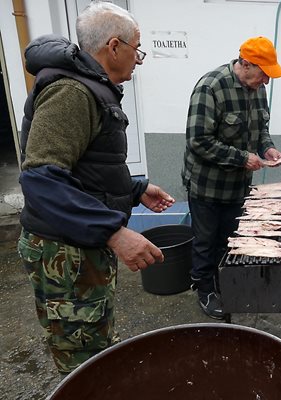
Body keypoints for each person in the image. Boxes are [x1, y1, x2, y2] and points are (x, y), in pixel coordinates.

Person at [17, 2, 174, 374]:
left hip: (80, 242)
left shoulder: (92, 88)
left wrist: (135, 189)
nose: (139, 59)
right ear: (114, 46)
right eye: (138, 49)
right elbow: (40, 177)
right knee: (81, 355)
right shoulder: (72, 92)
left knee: (94, 339)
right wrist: (115, 232)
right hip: (64, 251)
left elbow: (87, 166)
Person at [181, 36, 281, 319]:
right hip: (207, 185)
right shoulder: (211, 87)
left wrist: (267, 147)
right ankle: (204, 290)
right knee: (205, 240)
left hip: (239, 186)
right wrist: (242, 158)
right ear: (246, 64)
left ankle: (224, 283)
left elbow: (261, 128)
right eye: (264, 73)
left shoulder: (257, 89)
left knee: (229, 238)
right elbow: (198, 140)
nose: (266, 81)